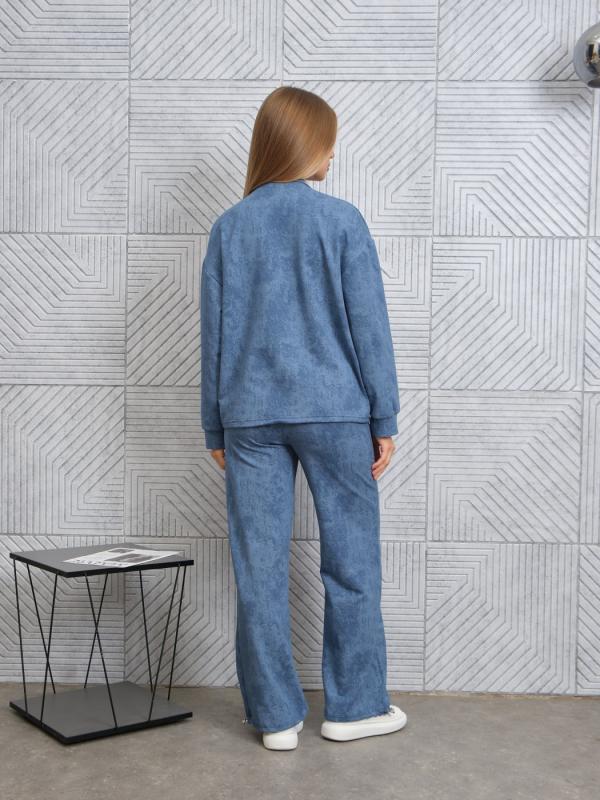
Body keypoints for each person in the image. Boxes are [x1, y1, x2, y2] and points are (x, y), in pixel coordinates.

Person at [200, 86, 408, 751]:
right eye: (329, 142)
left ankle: (275, 719)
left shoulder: (230, 227)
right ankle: (354, 708)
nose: (333, 154)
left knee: (258, 568)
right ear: (307, 145)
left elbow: (214, 336)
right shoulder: (342, 221)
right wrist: (384, 415)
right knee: (351, 561)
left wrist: (214, 426)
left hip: (250, 417)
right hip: (335, 413)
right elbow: (369, 327)